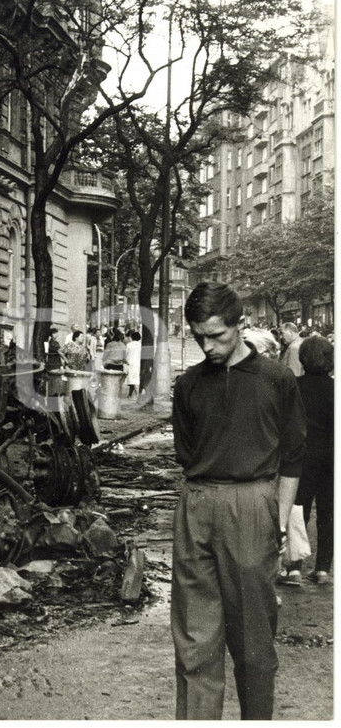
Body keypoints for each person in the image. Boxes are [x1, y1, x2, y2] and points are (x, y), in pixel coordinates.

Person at [171, 281, 306, 720]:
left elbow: (293, 456)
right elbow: (187, 452)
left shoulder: (277, 379)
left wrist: (279, 520)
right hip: (196, 503)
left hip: (253, 504)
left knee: (252, 640)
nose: (208, 346)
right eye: (199, 337)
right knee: (195, 641)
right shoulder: (188, 384)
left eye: (218, 336)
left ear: (240, 325)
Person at [280, 335, 334, 585]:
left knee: (297, 510)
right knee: (328, 513)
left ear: (302, 359)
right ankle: (323, 568)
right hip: (332, 459)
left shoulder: (294, 387)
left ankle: (294, 568)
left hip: (300, 458)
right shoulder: (335, 389)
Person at [124, 330, 142, 397]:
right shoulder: (141, 345)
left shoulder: (129, 345)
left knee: (131, 379)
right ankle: (136, 393)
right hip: (138, 363)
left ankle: (132, 394)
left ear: (132, 337)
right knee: (136, 379)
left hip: (130, 363)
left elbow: (125, 354)